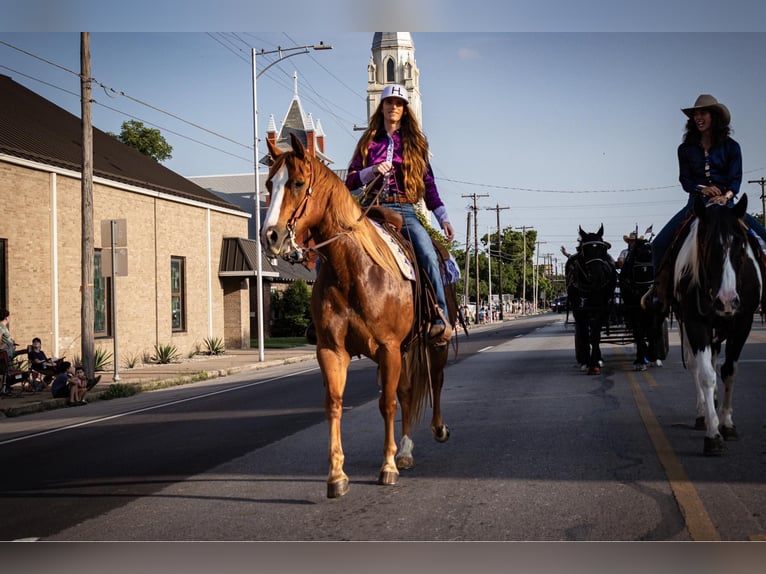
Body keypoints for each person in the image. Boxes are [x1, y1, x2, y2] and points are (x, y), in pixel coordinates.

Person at [345, 84, 455, 344]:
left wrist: (444, 219)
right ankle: (328, 317)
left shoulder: (416, 145)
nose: (393, 107)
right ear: (381, 107)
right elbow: (349, 180)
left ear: (405, 110)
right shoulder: (368, 143)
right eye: (389, 102)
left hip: (404, 209)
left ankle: (440, 315)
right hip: (371, 209)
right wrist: (370, 171)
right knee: (337, 246)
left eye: (399, 103)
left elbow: (429, 187)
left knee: (427, 254)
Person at [645, 94, 766, 311]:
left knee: (764, 236)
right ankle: (659, 293)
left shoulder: (732, 147)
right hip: (696, 205)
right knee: (658, 244)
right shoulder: (685, 149)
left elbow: (735, 178)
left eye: (703, 113)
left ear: (714, 116)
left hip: (726, 205)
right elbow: (685, 180)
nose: (698, 117)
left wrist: (726, 196)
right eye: (695, 114)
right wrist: (703, 188)